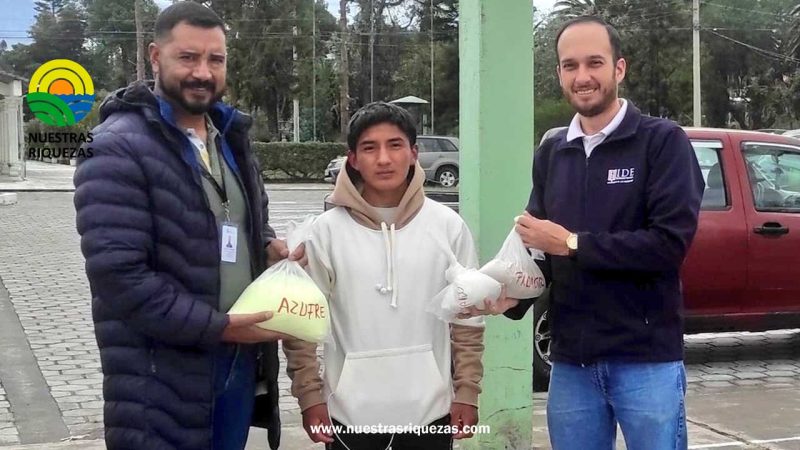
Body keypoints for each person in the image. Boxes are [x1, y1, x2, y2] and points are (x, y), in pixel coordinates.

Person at [73, 3, 299, 449]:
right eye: (188, 58)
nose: (203, 72)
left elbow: (237, 225)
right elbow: (120, 277)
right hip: (159, 381)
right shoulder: (112, 147)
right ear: (156, 57)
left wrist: (268, 247)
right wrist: (221, 327)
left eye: (215, 59)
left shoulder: (229, 138)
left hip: (236, 365)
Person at [486, 15, 704, 450]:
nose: (582, 77)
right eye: (570, 66)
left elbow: (667, 245)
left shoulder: (661, 142)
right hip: (571, 365)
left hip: (646, 361)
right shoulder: (553, 151)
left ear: (618, 69)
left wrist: (571, 244)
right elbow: (538, 248)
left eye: (594, 63)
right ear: (559, 74)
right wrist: (510, 293)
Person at [283, 102, 487, 450]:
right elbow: (301, 324)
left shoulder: (448, 227)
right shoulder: (324, 233)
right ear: (352, 159)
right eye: (369, 147)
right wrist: (308, 395)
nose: (383, 158)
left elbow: (467, 319)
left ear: (413, 153)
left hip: (430, 415)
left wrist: (467, 390)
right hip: (348, 418)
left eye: (394, 145)